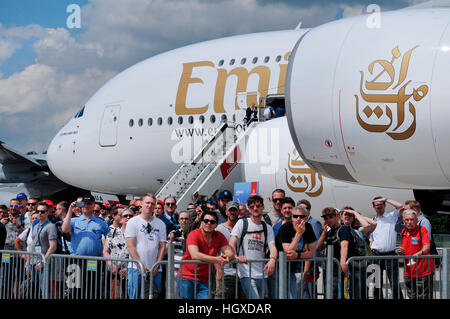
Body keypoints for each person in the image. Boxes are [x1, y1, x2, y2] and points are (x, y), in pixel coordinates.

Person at [229, 195, 278, 299]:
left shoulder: (267, 227)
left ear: (263, 207)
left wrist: (272, 260)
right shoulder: (242, 223)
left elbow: (272, 246)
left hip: (262, 273)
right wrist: (235, 256)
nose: (255, 208)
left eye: (258, 205)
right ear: (248, 209)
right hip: (246, 272)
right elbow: (232, 243)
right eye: (252, 207)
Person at [177, 210, 234, 299]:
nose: (208, 223)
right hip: (186, 277)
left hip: (204, 279)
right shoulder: (193, 234)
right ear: (201, 222)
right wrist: (217, 259)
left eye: (212, 222)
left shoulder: (219, 236)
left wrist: (226, 257)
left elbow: (229, 252)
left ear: (216, 225)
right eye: (206, 221)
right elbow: (195, 255)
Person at [62, 194, 110, 298]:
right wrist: (70, 210)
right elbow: (64, 230)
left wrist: (104, 253)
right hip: (75, 260)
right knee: (73, 291)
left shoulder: (100, 222)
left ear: (93, 206)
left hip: (93, 261)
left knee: (92, 290)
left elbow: (109, 238)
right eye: (84, 204)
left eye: (89, 204)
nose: (86, 206)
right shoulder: (74, 220)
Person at [125, 193, 166, 299]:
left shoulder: (161, 224)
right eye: (147, 203)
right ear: (142, 204)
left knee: (153, 296)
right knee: (134, 296)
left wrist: (157, 265)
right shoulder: (132, 222)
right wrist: (140, 265)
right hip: (135, 269)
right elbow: (131, 246)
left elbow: (162, 246)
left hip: (155, 270)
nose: (149, 205)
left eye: (152, 204)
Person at [276, 204, 317, 299]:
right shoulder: (286, 227)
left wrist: (298, 255)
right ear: (291, 217)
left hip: (291, 269)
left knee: (293, 296)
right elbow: (289, 252)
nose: (298, 219)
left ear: (306, 218)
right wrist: (299, 234)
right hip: (278, 268)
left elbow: (311, 252)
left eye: (302, 216)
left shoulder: (308, 227)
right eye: (295, 216)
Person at [369, 196, 404, 299]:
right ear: (374, 207)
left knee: (394, 283)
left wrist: (386, 199)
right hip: (376, 255)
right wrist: (372, 249)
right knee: (376, 284)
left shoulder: (391, 216)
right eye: (377, 205)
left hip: (390, 254)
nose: (379, 207)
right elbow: (371, 238)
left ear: (384, 205)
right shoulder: (372, 221)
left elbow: (400, 206)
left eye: (381, 204)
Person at [396, 209, 434, 299]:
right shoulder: (403, 232)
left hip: (423, 271)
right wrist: (401, 251)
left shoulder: (422, 230)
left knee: (424, 296)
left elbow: (427, 246)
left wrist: (419, 252)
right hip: (408, 272)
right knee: (411, 296)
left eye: (412, 219)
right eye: (407, 220)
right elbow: (405, 249)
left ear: (416, 220)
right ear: (403, 221)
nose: (409, 222)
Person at [215, 201, 246, 299]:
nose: (232, 212)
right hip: (226, 273)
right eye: (230, 210)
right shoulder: (219, 229)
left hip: (242, 273)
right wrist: (219, 270)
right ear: (226, 212)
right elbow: (214, 251)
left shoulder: (244, 227)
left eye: (235, 210)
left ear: (238, 212)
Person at [28, 202, 58, 298]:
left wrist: (43, 261)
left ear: (47, 212)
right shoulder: (36, 226)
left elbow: (53, 246)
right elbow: (33, 243)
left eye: (42, 211)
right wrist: (27, 262)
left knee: (44, 289)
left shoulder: (51, 226)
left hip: (44, 262)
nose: (40, 213)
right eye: (38, 211)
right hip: (33, 261)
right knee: (34, 289)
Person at [103, 207, 132, 299]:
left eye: (130, 216)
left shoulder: (137, 234)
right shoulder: (112, 232)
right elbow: (106, 251)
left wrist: (127, 269)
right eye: (125, 216)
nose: (128, 218)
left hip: (131, 271)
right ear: (120, 217)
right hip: (115, 272)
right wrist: (111, 265)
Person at [167, 210, 191, 298]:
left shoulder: (194, 234)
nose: (184, 221)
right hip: (175, 270)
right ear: (178, 220)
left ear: (190, 220)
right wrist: (171, 240)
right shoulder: (173, 233)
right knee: (174, 296)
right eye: (181, 219)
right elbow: (166, 251)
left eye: (186, 219)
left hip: (188, 270)